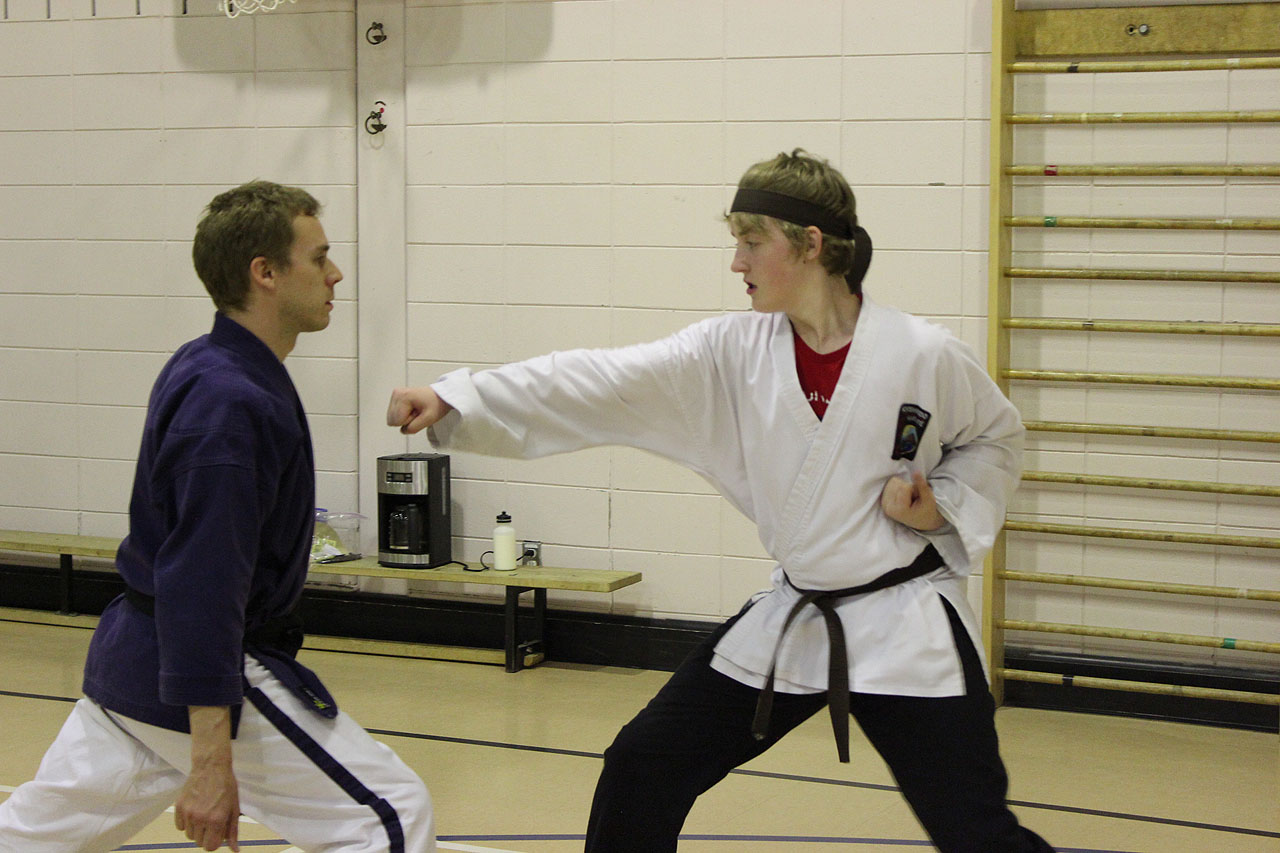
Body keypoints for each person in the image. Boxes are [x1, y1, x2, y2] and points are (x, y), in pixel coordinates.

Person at [386, 149, 1052, 852]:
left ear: (810, 244)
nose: (737, 262)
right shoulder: (729, 352)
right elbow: (596, 381)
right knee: (643, 765)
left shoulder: (922, 353)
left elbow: (995, 441)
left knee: (975, 832)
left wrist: (937, 505)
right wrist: (460, 397)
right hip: (800, 614)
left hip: (904, 620)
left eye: (751, 241)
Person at [0, 181, 435, 853]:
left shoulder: (213, 364)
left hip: (137, 663)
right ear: (266, 273)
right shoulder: (229, 401)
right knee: (390, 816)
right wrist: (210, 759)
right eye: (318, 257)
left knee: (35, 839)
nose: (336, 274)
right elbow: (201, 582)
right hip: (193, 666)